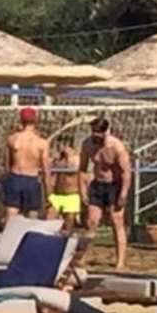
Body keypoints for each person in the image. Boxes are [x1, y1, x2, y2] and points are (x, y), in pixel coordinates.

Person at [79, 116, 134, 271]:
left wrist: (123, 193)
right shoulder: (88, 144)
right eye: (93, 132)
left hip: (114, 186)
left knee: (117, 221)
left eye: (98, 133)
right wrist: (82, 191)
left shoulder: (116, 147)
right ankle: (81, 257)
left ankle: (120, 261)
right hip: (97, 185)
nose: (95, 136)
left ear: (106, 132)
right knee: (91, 221)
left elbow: (126, 172)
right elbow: (82, 169)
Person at [2, 108, 49, 218]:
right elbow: (46, 169)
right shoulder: (42, 143)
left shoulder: (12, 139)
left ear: (21, 120)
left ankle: (11, 230)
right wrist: (48, 191)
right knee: (32, 215)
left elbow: (6, 164)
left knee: (11, 213)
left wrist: (7, 181)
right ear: (35, 120)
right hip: (32, 179)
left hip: (15, 177)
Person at [47, 134, 83, 223]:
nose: (59, 146)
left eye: (62, 143)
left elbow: (74, 168)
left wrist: (68, 155)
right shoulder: (57, 160)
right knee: (49, 220)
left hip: (71, 195)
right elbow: (50, 174)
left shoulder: (76, 159)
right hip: (57, 194)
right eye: (58, 143)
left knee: (68, 224)